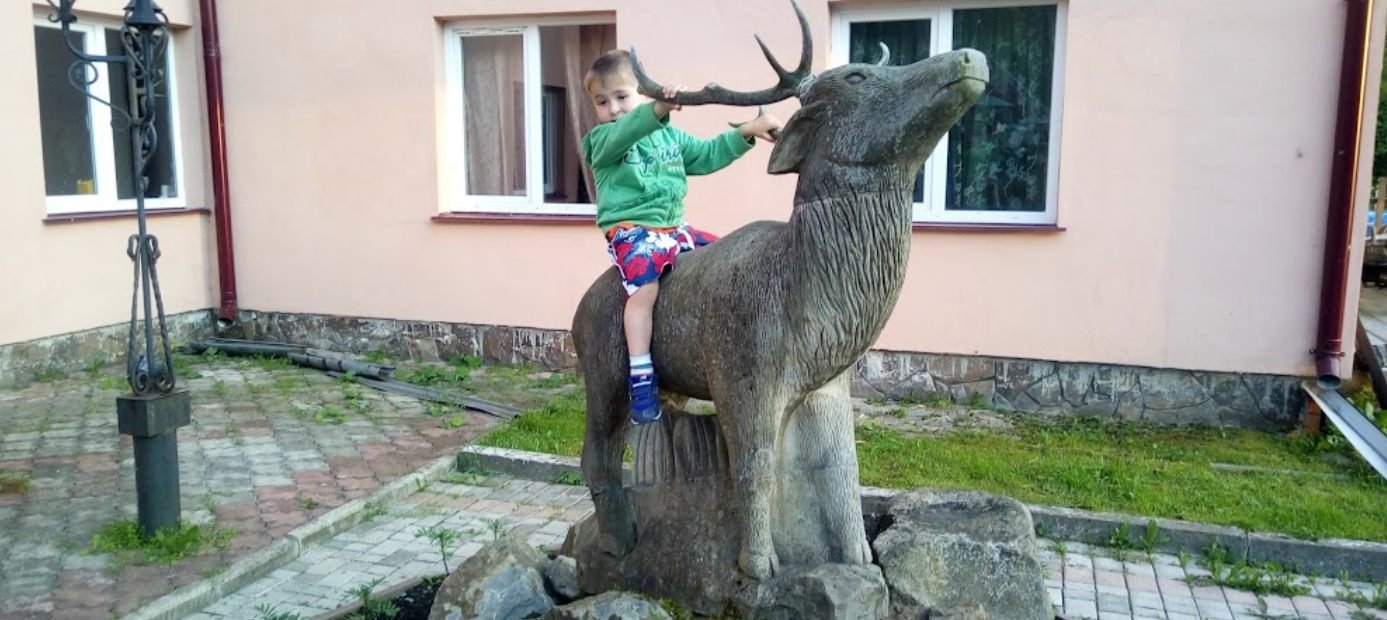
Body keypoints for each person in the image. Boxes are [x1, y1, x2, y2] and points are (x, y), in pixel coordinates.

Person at [581, 49, 782, 425]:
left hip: (675, 229)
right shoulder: (601, 142)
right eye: (602, 102)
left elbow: (707, 155)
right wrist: (656, 110)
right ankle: (641, 374)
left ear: (640, 93)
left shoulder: (669, 138)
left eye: (622, 97)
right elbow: (627, 132)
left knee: (725, 261)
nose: (614, 109)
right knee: (644, 289)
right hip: (632, 230)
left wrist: (746, 132)